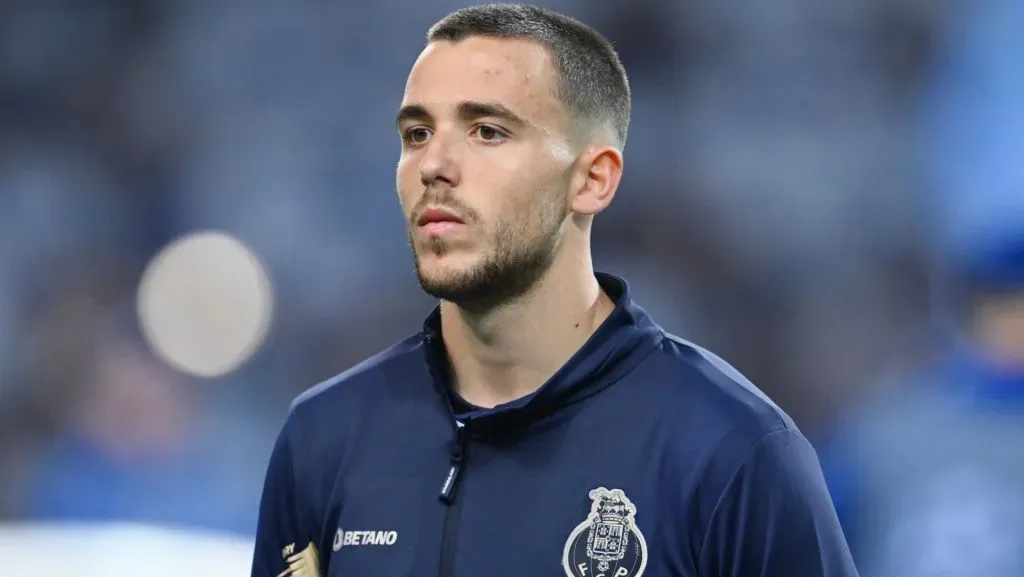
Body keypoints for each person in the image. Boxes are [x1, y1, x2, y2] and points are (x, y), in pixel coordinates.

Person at [251, 4, 857, 576]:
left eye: (486, 131)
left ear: (593, 180)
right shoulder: (324, 439)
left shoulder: (732, 451)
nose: (435, 163)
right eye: (416, 134)